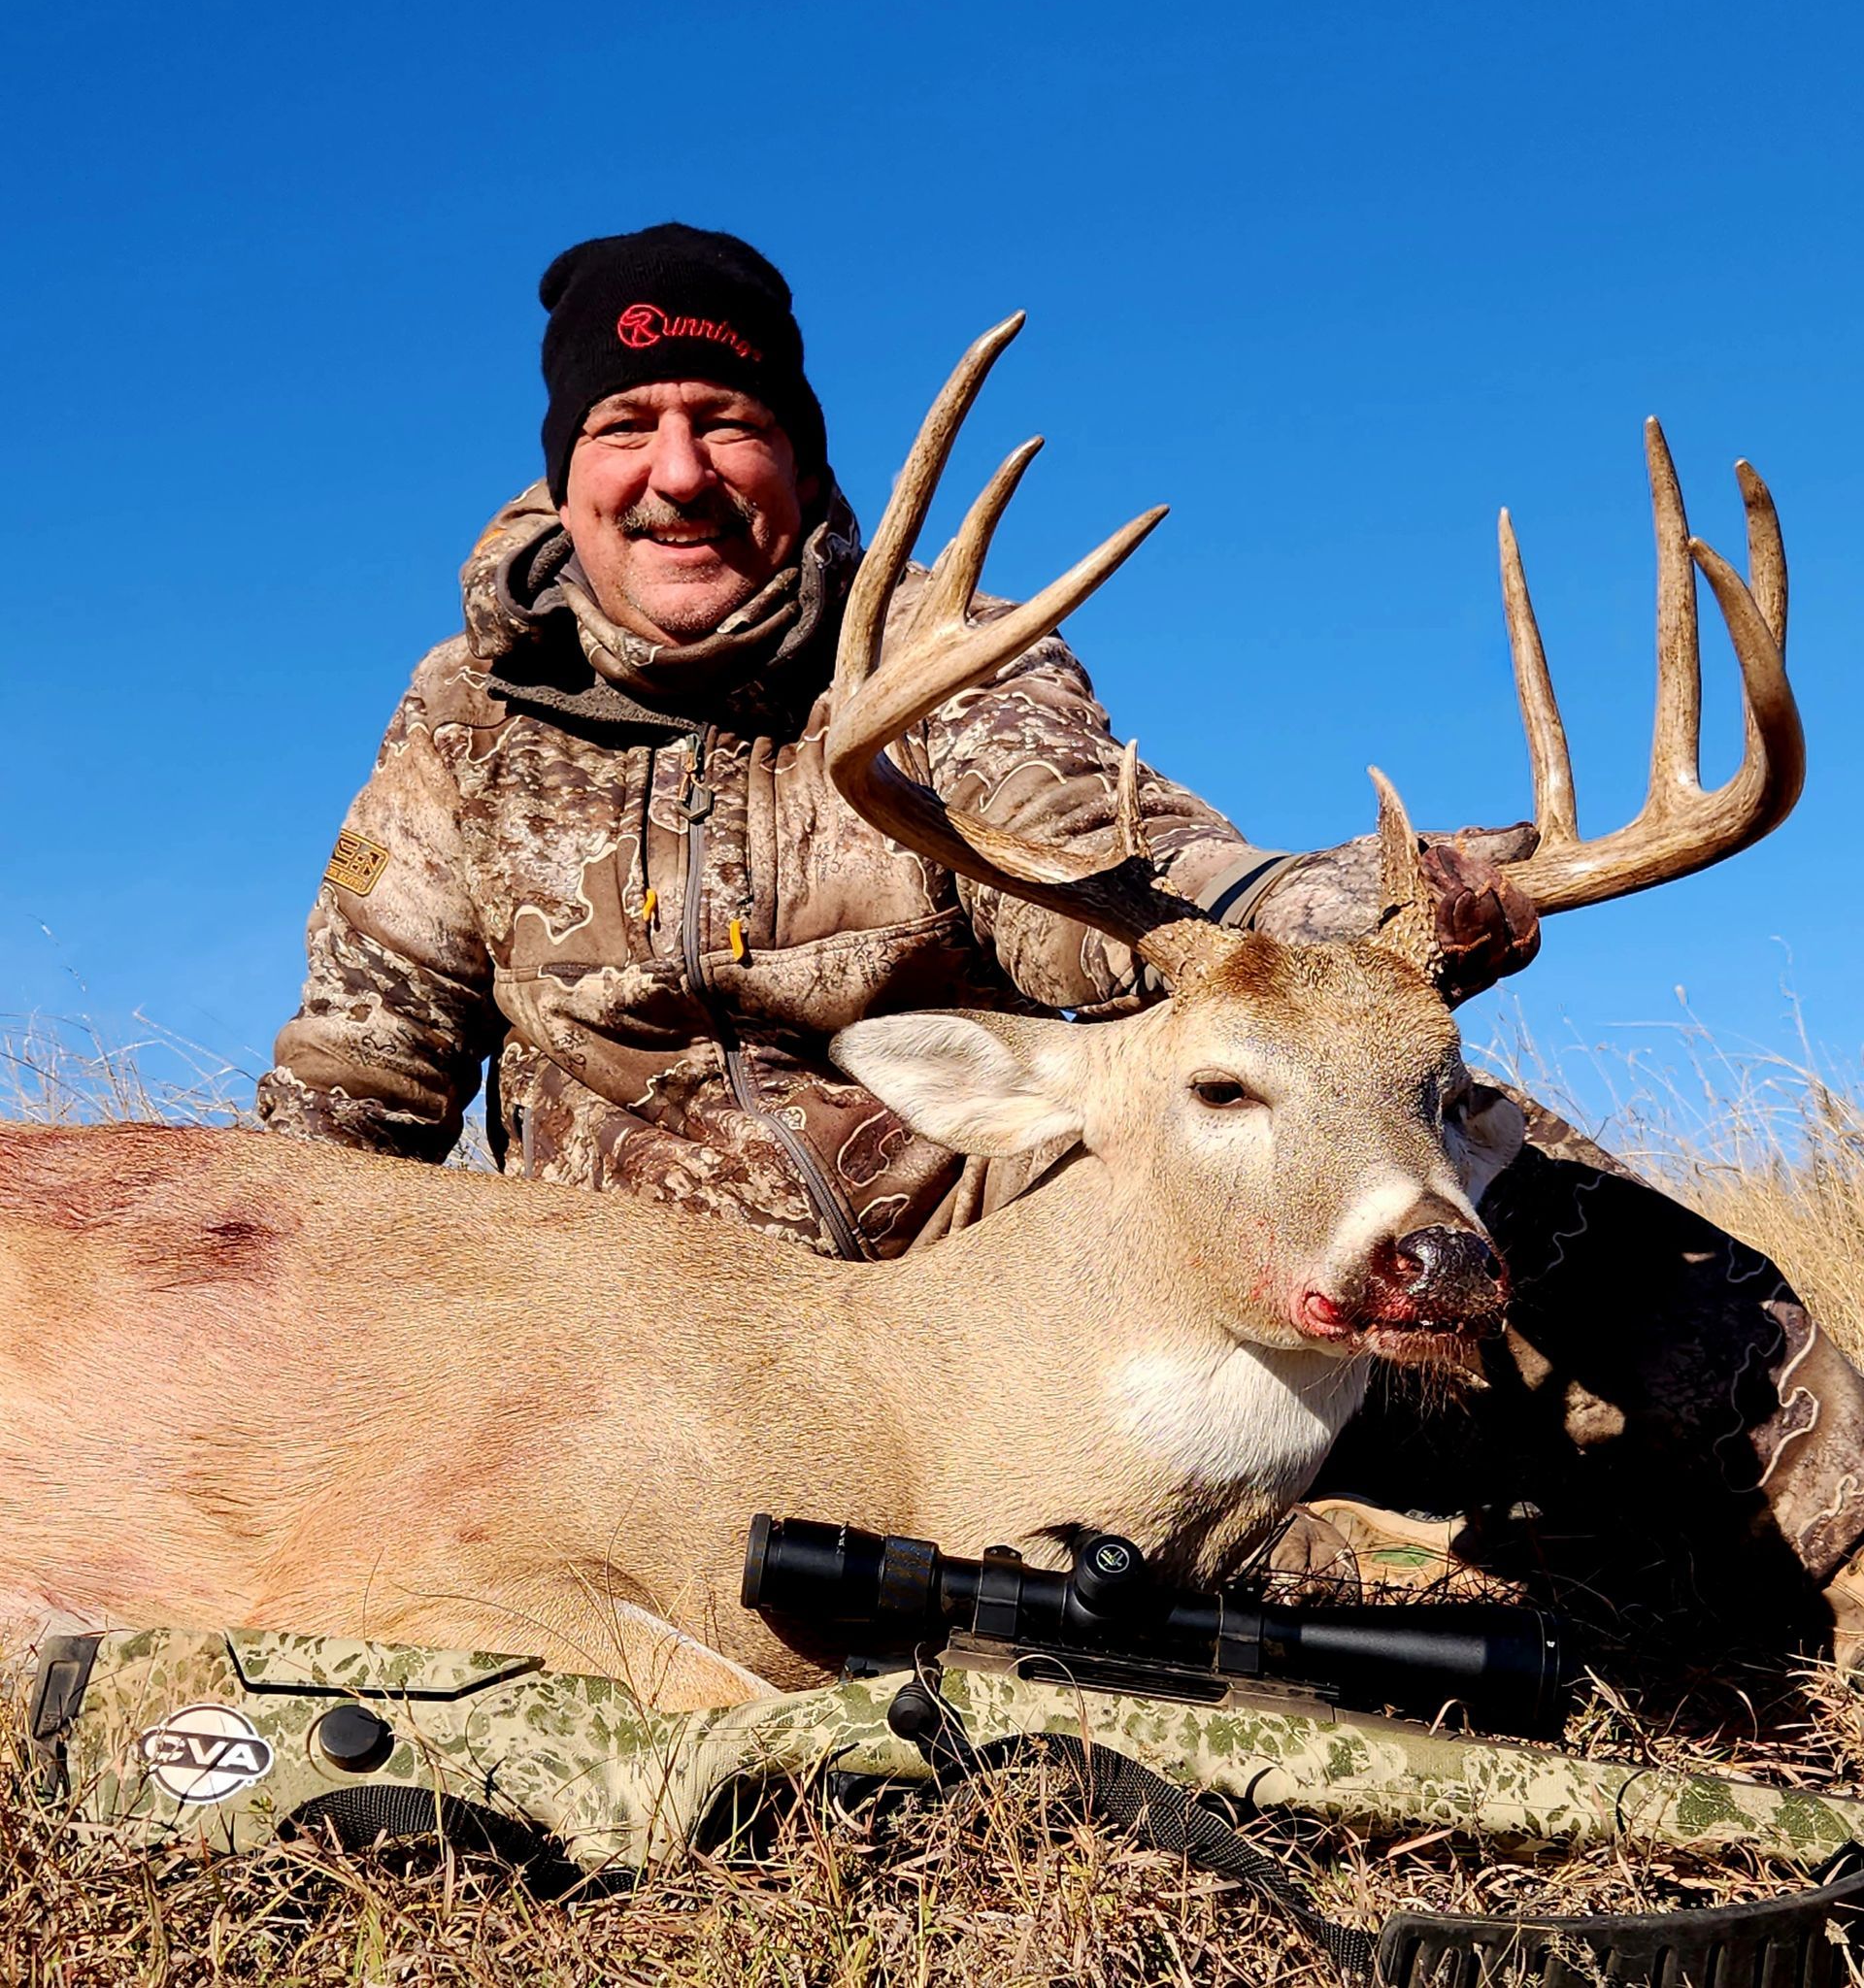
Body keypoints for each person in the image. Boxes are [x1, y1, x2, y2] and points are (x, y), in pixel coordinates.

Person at [257, 223, 1864, 1656]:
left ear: (804, 469)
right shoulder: (460, 732)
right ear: (564, 478)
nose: (677, 470)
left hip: (998, 1291)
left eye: (727, 420)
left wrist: (1351, 917)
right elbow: (356, 1079)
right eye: (626, 425)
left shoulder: (947, 673)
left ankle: (1831, 1572)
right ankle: (1340, 1549)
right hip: (669, 1350)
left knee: (1520, 1200)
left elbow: (1134, 883)